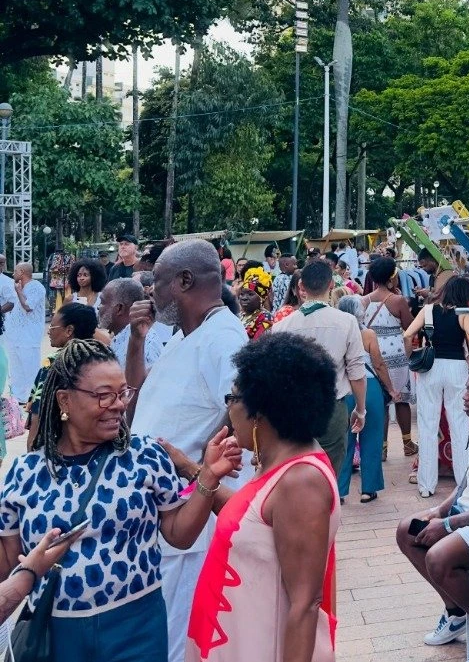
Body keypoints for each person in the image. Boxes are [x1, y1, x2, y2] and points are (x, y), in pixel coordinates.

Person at [0, 339, 243, 662]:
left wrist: (208, 477)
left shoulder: (145, 456)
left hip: (136, 628)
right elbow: (7, 565)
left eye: (123, 393)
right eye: (103, 395)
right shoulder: (25, 474)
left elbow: (179, 534)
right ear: (65, 400)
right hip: (55, 635)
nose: (117, 405)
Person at [125, 239, 252, 662]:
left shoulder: (223, 336)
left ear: (183, 281)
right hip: (166, 511)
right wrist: (137, 341)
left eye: (157, 282)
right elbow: (137, 395)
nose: (151, 293)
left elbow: (244, 407)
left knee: (176, 637)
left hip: (188, 515)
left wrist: (196, 470)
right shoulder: (187, 336)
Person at [185, 333, 341, 662]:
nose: (229, 407)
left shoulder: (301, 481)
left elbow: (305, 603)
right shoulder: (281, 464)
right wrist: (195, 471)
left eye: (234, 398)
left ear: (260, 412)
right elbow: (252, 521)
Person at [397, 353, 469, 662]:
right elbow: (465, 485)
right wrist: (438, 512)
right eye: (466, 388)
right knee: (407, 530)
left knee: (438, 556)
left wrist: (447, 525)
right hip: (466, 519)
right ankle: (455, 612)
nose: (465, 396)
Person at [270, 261, 366, 476]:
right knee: (328, 475)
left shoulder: (281, 326)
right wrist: (360, 410)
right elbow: (357, 373)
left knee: (294, 473)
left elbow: (276, 376)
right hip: (332, 410)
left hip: (293, 411)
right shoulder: (347, 322)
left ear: (301, 286)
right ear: (331, 284)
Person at [406, 275, 469, 498]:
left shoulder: (428, 310)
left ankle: (426, 485)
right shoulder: (462, 313)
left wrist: (412, 357)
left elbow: (408, 334)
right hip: (456, 367)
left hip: (430, 367)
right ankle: (463, 483)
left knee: (428, 425)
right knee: (459, 425)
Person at [336, 296, 397, 503]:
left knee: (344, 440)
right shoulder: (368, 334)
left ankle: (339, 489)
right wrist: (390, 388)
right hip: (368, 385)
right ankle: (368, 489)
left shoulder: (338, 332)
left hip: (345, 389)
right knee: (372, 437)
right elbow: (379, 364)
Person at [362, 256, 417, 458]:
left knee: (381, 401)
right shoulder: (398, 300)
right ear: (392, 276)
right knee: (401, 399)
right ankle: (407, 443)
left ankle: (382, 447)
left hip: (372, 352)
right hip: (396, 354)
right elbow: (410, 326)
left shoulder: (363, 300)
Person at [26, 302, 100, 447]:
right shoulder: (102, 359)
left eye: (52, 327)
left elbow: (39, 413)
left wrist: (32, 453)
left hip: (59, 446)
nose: (49, 331)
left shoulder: (53, 364)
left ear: (69, 330)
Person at [99, 277, 172, 371]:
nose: (98, 308)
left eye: (102, 302)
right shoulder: (120, 337)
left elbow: (142, 385)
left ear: (119, 308)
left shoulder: (145, 344)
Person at [6, 262, 46, 402]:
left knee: (30, 368)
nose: (13, 273)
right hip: (16, 337)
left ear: (22, 272)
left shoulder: (36, 287)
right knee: (16, 369)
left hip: (29, 336)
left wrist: (18, 291)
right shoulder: (21, 286)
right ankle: (18, 398)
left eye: (15, 270)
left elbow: (28, 306)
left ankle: (33, 400)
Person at [237, 268, 273, 341]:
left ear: (261, 298)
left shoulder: (266, 318)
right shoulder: (240, 315)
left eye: (250, 294)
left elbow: (259, 347)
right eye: (242, 294)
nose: (244, 298)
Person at [47, 245, 75, 310]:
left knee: (61, 293)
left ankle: (62, 308)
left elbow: (54, 268)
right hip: (62, 279)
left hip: (62, 279)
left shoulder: (56, 256)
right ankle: (61, 308)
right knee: (60, 293)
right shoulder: (56, 256)